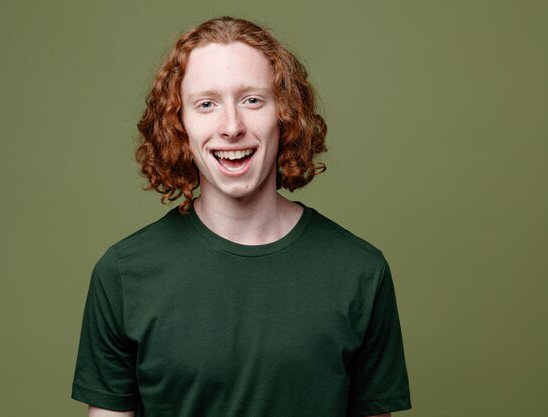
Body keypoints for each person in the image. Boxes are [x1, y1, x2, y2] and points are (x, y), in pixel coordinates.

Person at [72, 16, 411, 417]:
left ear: (285, 115)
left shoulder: (359, 271)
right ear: (178, 124)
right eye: (206, 104)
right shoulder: (124, 274)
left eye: (252, 100)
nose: (231, 127)